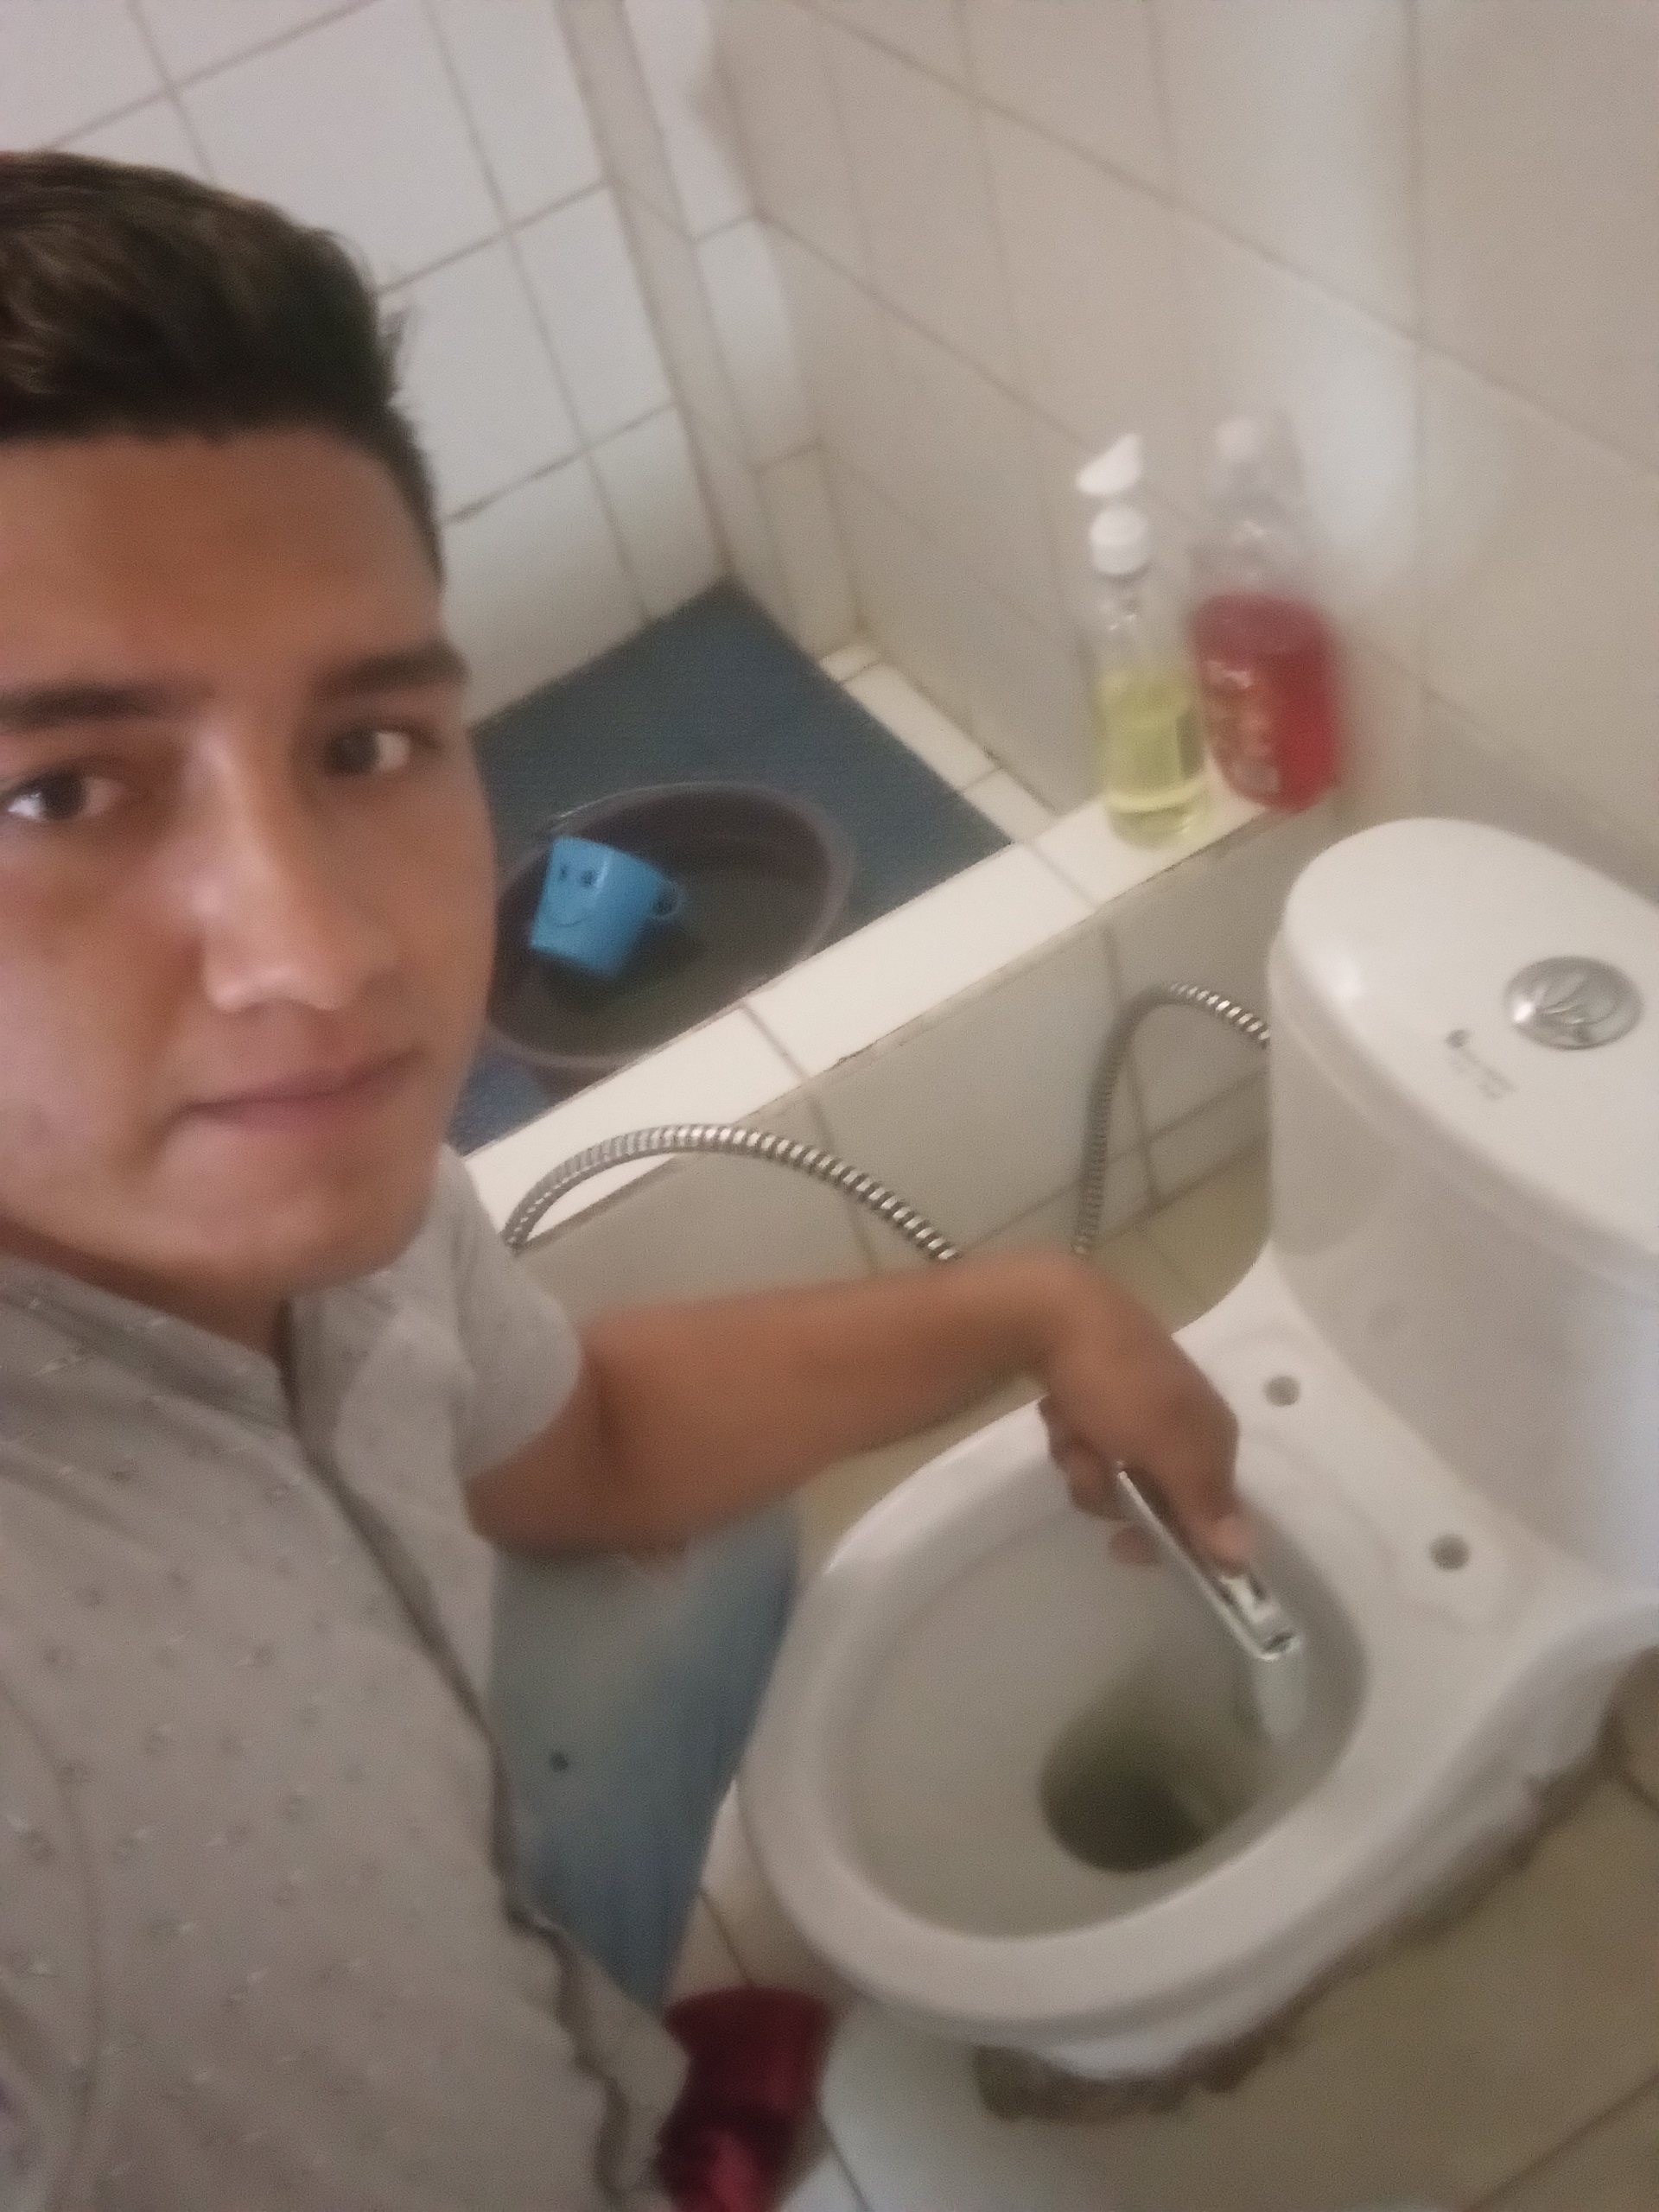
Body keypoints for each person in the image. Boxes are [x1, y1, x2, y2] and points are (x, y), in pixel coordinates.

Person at [0, 152, 1244, 2211]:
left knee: (708, 1545)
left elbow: (587, 1442)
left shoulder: (326, 1195)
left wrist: (1044, 1303)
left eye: (363, 743)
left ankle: (600, 2055)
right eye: (57, 790)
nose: (321, 954)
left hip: (475, 1970)